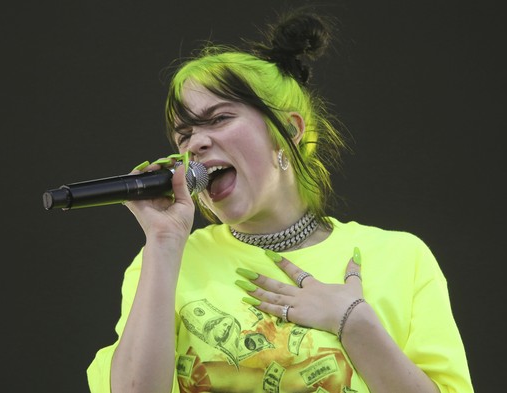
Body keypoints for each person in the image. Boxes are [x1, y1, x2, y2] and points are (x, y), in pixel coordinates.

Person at [87, 9, 473, 393]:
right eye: (184, 136)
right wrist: (163, 244)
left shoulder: (401, 258)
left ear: (288, 130)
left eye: (219, 119)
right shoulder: (165, 262)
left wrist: (354, 323)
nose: (196, 144)